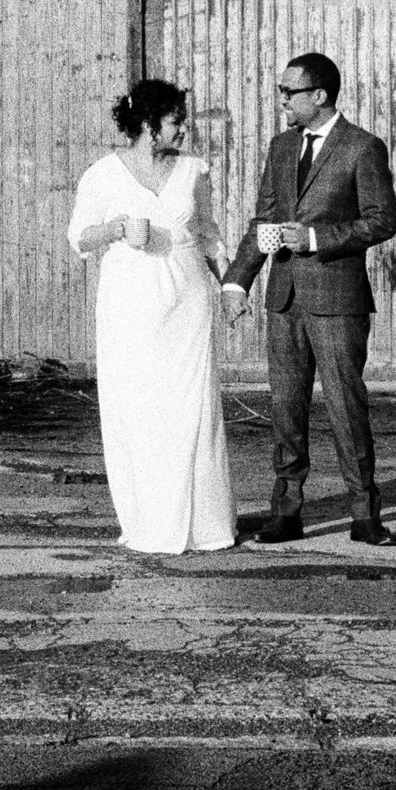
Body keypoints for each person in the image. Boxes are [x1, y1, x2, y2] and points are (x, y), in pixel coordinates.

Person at [222, 53, 396, 546]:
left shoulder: (362, 147)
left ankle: (365, 515)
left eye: (289, 92)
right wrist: (238, 283)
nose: (281, 100)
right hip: (284, 300)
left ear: (319, 95)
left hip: (337, 301)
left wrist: (315, 239)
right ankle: (287, 511)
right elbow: (264, 223)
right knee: (285, 408)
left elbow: (381, 220)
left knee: (346, 405)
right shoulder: (281, 148)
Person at [68, 78, 237, 554]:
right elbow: (79, 237)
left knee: (193, 410)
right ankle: (151, 523)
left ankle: (204, 526)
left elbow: (208, 235)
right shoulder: (102, 173)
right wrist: (118, 228)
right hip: (129, 306)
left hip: (188, 303)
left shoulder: (194, 171)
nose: (183, 129)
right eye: (175, 121)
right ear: (147, 126)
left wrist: (229, 287)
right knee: (139, 411)